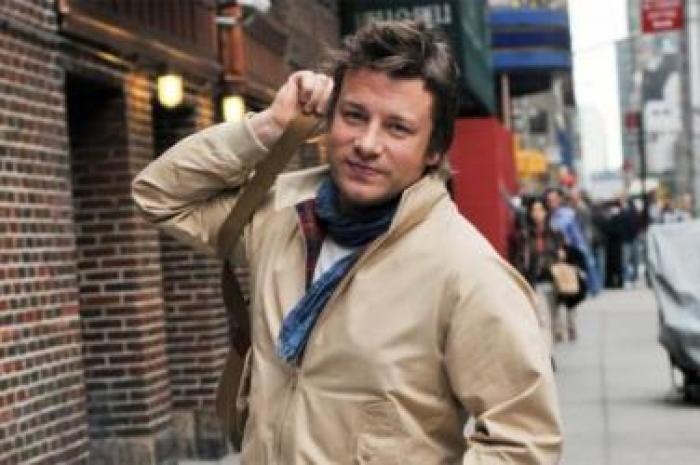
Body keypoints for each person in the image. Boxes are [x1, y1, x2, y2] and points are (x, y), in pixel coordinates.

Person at [132, 20, 562, 464]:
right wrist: (271, 125)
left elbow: (524, 443)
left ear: (434, 150)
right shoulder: (281, 213)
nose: (367, 144)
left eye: (397, 128)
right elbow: (159, 196)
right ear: (329, 118)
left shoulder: (466, 271)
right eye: (354, 115)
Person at [510, 199, 567, 346]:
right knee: (543, 320)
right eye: (534, 210)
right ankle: (548, 354)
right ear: (529, 213)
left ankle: (551, 346)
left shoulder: (555, 233)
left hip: (553, 280)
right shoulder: (525, 236)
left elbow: (562, 253)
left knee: (553, 318)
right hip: (535, 281)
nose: (537, 213)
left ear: (546, 212)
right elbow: (519, 260)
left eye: (541, 210)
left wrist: (561, 254)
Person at [545, 187, 601, 295]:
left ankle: (593, 288)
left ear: (559, 200)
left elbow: (576, 231)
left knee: (587, 264)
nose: (551, 202)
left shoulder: (568, 214)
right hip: (557, 248)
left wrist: (581, 245)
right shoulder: (548, 216)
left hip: (572, 245)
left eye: (554, 199)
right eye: (549, 200)